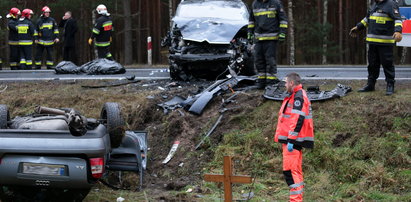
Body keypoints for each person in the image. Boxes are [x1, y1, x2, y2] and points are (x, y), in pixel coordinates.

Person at [274, 73, 314, 202]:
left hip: (292, 140)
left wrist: (291, 139)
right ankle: (297, 199)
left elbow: (297, 118)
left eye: (286, 83)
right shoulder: (296, 95)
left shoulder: (298, 96)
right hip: (293, 139)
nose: (285, 85)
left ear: (291, 83)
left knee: (290, 172)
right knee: (295, 171)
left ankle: (295, 200)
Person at [350, 0, 403, 96]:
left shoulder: (391, 4)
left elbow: (398, 19)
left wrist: (398, 31)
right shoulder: (374, 4)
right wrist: (358, 27)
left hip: (385, 43)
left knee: (387, 65)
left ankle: (390, 85)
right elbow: (367, 19)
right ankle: (370, 85)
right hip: (372, 42)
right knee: (372, 65)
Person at [248, 0, 288, 89]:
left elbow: (283, 20)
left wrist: (282, 33)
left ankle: (271, 82)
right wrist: (250, 32)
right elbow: (251, 20)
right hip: (258, 38)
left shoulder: (276, 3)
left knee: (270, 60)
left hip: (272, 38)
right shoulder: (255, 4)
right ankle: (261, 82)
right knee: (258, 61)